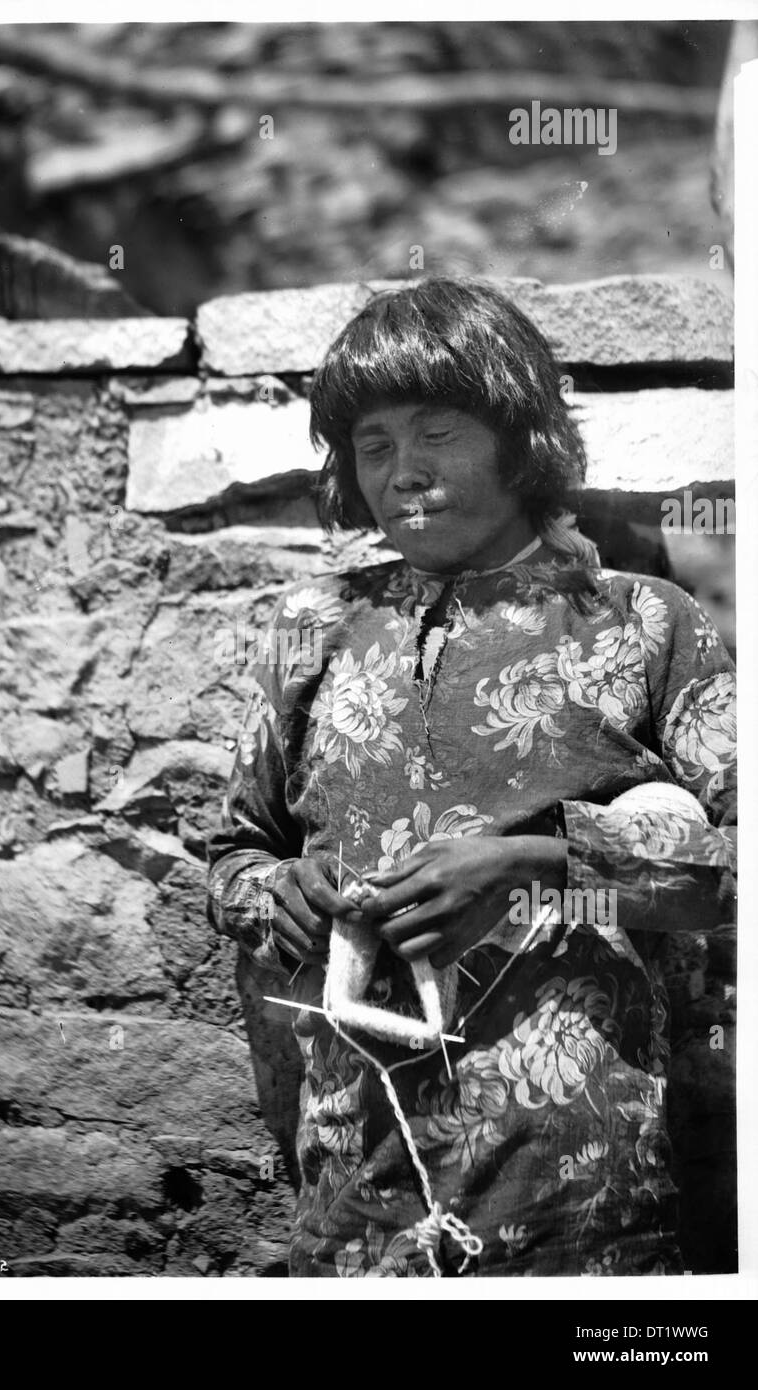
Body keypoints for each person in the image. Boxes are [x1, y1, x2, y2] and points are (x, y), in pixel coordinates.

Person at [206, 278, 736, 1278]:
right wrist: (277, 896)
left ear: (518, 436)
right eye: (374, 445)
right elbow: (235, 854)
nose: (403, 471)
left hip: (575, 1196)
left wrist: (539, 865)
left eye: (437, 432)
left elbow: (738, 878)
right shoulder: (310, 631)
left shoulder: (647, 625)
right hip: (354, 1186)